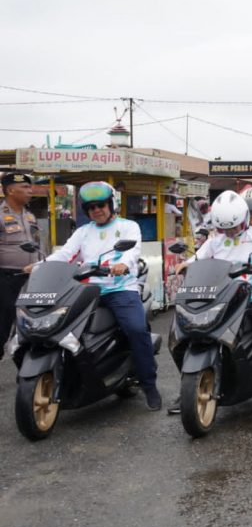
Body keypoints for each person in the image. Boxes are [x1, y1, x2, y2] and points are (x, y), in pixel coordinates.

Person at [38, 182, 163, 410]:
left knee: (136, 330)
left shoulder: (128, 226)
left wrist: (123, 264)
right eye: (91, 207)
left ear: (111, 204)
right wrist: (39, 265)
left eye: (101, 205)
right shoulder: (83, 231)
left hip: (120, 289)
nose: (97, 210)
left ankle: (149, 385)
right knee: (62, 326)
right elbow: (65, 254)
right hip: (88, 290)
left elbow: (132, 251)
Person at [176, 190, 252, 412]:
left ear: (244, 219)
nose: (230, 232)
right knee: (187, 332)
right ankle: (190, 388)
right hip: (222, 296)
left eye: (234, 226)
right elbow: (199, 255)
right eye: (224, 228)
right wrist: (186, 263)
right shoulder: (216, 241)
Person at [0, 173, 44, 356]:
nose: (30, 190)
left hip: (31, 278)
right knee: (3, 322)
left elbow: (38, 244)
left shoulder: (30, 216)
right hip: (6, 279)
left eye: (29, 186)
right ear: (10, 190)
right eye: (24, 187)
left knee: (29, 323)